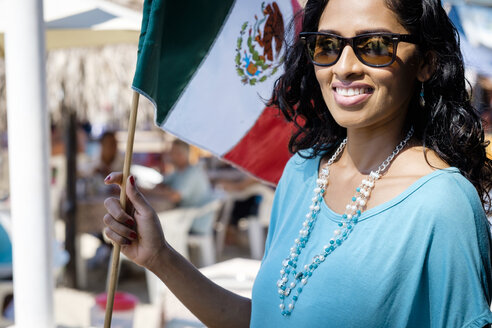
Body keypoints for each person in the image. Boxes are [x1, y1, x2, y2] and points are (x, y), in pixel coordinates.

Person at [102, 0, 492, 326]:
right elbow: (262, 320)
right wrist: (159, 257)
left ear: (425, 62)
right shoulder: (303, 172)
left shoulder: (443, 204)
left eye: (374, 45)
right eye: (326, 45)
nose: (344, 66)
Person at [149, 139, 213, 234]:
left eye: (172, 152)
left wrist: (147, 191)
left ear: (180, 155)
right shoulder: (180, 171)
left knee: (151, 219)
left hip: (193, 222)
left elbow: (175, 196)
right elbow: (162, 184)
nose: (169, 155)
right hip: (186, 217)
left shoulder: (191, 172)